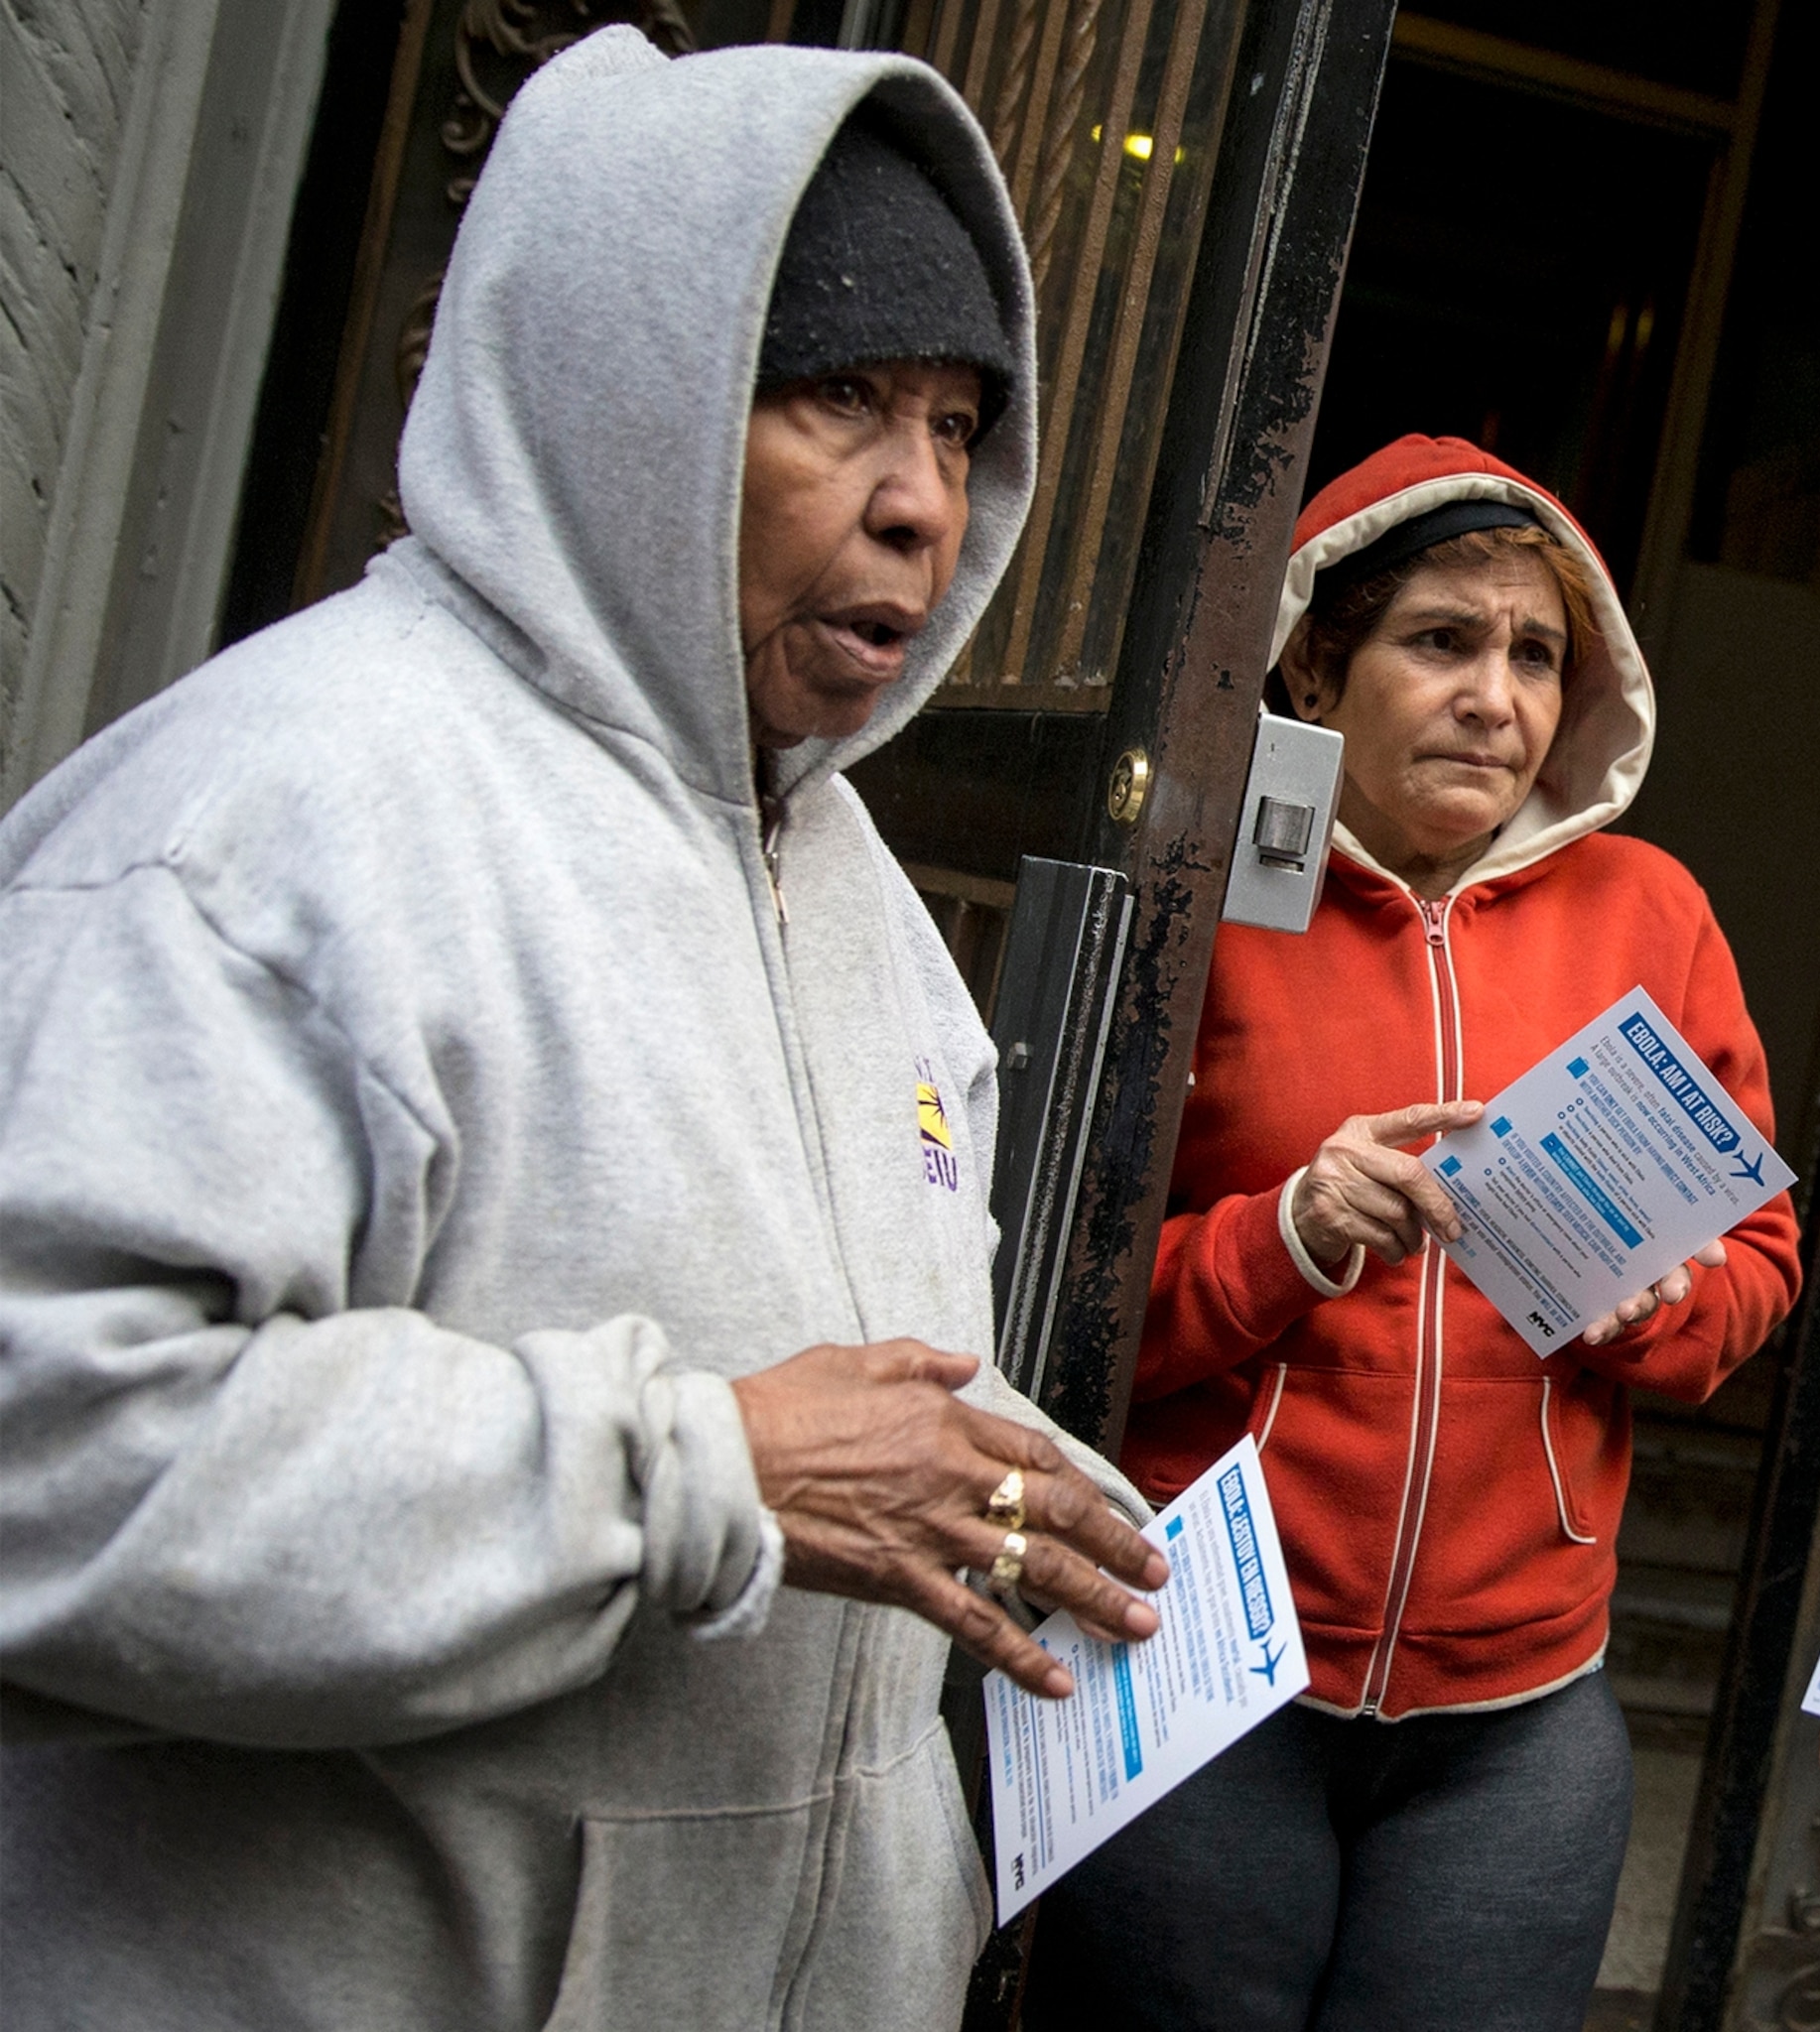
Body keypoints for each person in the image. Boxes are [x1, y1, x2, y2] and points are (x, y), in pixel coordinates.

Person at [0, 32, 1168, 2031]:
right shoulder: (275, 815)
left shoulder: (869, 898)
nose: (919, 505)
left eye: (963, 426)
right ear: (636, 396)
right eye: (840, 400)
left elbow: (820, 1384)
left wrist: (989, 1477)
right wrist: (698, 1463)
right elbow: (47, 1451)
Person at [1023, 435, 1803, 2029]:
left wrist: (1651, 1302)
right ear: (1322, 653)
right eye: (1440, 640)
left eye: (1533, 654)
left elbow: (1758, 1271)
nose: (1495, 697)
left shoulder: (1650, 916)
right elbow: (1053, 1309)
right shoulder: (1199, 901)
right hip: (1206, 1668)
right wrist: (1290, 1232)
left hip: (1519, 1714)